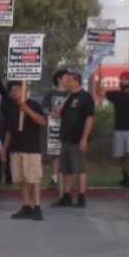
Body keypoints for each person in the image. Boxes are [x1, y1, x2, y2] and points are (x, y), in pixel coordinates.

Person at [0, 83, 48, 220]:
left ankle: (37, 207)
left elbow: (42, 121)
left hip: (31, 148)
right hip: (16, 148)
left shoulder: (33, 104)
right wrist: (4, 148)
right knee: (21, 179)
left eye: (16, 90)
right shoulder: (12, 108)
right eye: (12, 90)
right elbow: (9, 130)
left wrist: (27, 110)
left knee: (33, 178)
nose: (13, 93)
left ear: (24, 90)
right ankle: (26, 206)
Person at [52, 72, 95, 208]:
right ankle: (66, 195)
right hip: (65, 137)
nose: (66, 82)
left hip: (78, 138)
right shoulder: (68, 97)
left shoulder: (85, 97)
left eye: (69, 80)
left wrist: (84, 138)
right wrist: (57, 112)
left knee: (79, 167)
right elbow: (61, 115)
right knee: (65, 168)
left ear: (77, 81)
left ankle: (81, 196)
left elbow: (89, 118)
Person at [101, 71, 129, 188]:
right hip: (118, 129)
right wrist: (99, 80)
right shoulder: (116, 95)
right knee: (122, 155)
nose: (122, 81)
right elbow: (99, 93)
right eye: (121, 79)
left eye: (125, 79)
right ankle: (125, 178)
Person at [42, 70, 69, 189]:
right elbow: (44, 109)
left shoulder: (70, 94)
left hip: (67, 126)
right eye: (65, 78)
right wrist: (53, 114)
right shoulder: (51, 93)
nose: (67, 80)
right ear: (59, 79)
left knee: (67, 153)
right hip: (53, 125)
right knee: (55, 153)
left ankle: (66, 180)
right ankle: (54, 178)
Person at [0, 56, 14, 185]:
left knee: (11, 154)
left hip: (13, 129)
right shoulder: (6, 98)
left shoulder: (20, 103)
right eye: (12, 91)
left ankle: (9, 178)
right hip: (3, 128)